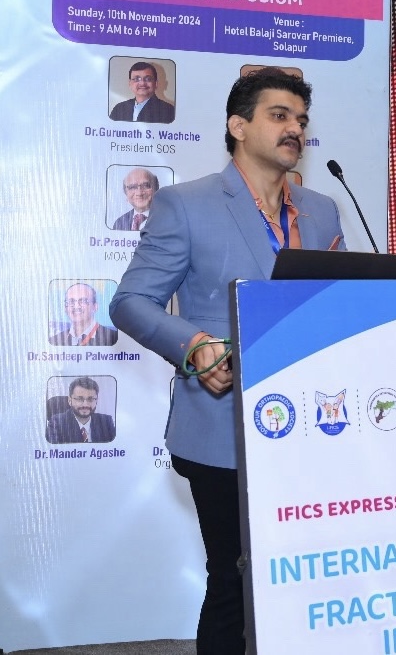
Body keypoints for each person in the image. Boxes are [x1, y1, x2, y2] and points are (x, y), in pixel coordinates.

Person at [110, 68, 344, 655]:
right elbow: (130, 302)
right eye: (279, 115)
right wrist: (194, 345)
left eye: (301, 120)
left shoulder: (322, 210)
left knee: (303, 578)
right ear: (238, 127)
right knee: (236, 583)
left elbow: (335, 302)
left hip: (313, 425)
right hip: (222, 429)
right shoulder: (185, 204)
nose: (295, 129)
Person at [46, 376, 116, 443]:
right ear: (69, 400)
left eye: (90, 399)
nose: (85, 404)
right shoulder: (56, 423)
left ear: (96, 400)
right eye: (79, 399)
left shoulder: (106, 422)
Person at [49, 283, 118, 346]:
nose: (76, 306)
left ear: (95, 307)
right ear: (65, 308)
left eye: (83, 301)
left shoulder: (112, 338)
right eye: (71, 301)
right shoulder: (55, 341)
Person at [109, 62, 175, 123]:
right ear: (130, 83)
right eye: (136, 79)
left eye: (148, 79)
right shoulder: (119, 109)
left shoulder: (169, 111)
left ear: (156, 83)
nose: (142, 83)